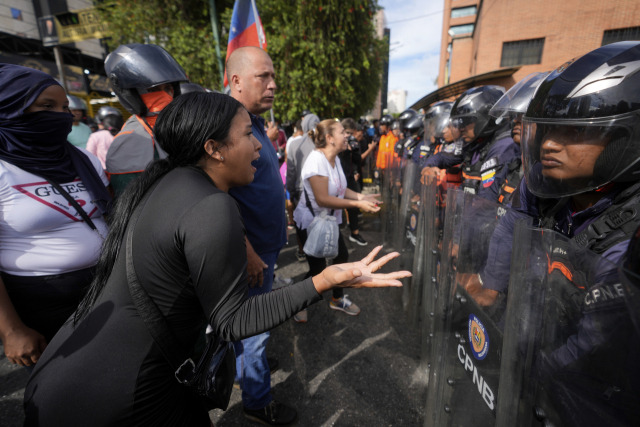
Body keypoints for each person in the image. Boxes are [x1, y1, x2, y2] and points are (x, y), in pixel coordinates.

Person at [22, 92, 410, 426]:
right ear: (214, 148)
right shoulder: (212, 205)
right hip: (121, 394)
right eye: (247, 135)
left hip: (66, 376)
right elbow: (233, 321)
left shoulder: (164, 181)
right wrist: (325, 280)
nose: (261, 146)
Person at [465, 41, 640, 306]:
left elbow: (597, 340)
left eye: (575, 131)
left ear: (624, 139)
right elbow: (511, 227)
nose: (548, 144)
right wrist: (491, 286)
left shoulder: (632, 233)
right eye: (548, 130)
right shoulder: (543, 180)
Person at [0, 64, 111, 367]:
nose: (62, 115)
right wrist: (11, 330)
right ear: (10, 109)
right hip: (41, 304)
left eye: (64, 107)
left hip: (107, 289)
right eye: (46, 106)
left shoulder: (83, 159)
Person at [225, 46, 295, 425]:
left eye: (273, 77)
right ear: (235, 81)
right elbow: (217, 196)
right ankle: (258, 404)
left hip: (265, 249)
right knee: (255, 331)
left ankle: (248, 370)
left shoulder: (250, 121)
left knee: (252, 332)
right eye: (262, 77)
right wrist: (248, 250)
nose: (273, 85)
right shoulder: (226, 126)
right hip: (250, 255)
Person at [293, 119, 382, 322]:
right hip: (311, 223)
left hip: (328, 222)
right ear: (329, 138)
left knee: (341, 257)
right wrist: (357, 205)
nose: (347, 135)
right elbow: (323, 198)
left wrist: (362, 197)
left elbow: (342, 189)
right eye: (343, 132)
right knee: (318, 270)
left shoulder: (335, 159)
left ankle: (337, 298)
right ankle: (297, 301)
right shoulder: (316, 160)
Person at [104, 43, 188, 196]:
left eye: (168, 88)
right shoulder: (128, 142)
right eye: (152, 90)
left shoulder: (184, 124)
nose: (165, 96)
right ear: (130, 94)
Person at [488, 72, 549, 205]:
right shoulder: (516, 163)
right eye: (517, 115)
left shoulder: (549, 175)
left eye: (525, 115)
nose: (516, 120)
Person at [287, 113, 321, 263]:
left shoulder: (295, 144)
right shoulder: (323, 144)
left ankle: (312, 263)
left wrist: (291, 194)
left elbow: (291, 173)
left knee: (304, 232)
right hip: (321, 193)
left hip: (301, 194)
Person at [340, 118, 367, 246]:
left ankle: (355, 233)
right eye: (346, 133)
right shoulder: (337, 141)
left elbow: (358, 159)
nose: (348, 136)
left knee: (354, 204)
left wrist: (353, 150)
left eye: (351, 133)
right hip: (338, 177)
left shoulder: (353, 142)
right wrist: (344, 149)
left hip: (350, 176)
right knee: (338, 204)